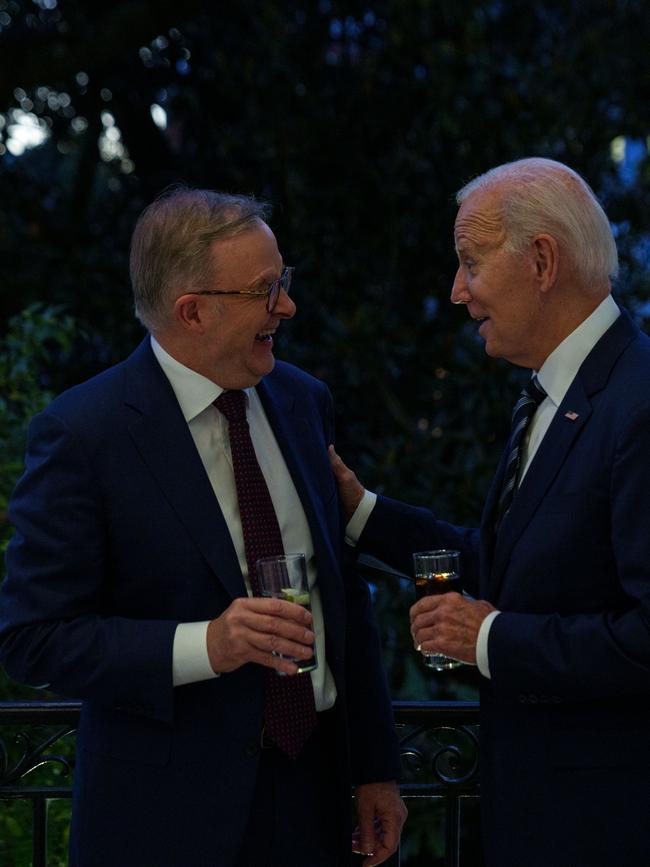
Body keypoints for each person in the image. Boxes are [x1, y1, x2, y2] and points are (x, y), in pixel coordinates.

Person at [0, 187, 406, 867]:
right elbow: (32, 636)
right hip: (165, 820)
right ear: (192, 310)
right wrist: (208, 644)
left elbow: (346, 597)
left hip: (316, 803)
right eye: (265, 289)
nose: (287, 305)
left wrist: (375, 765)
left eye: (284, 280)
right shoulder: (84, 433)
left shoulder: (303, 401)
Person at [329, 157, 650, 867]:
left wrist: (490, 638)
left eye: (469, 261)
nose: (455, 291)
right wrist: (362, 512)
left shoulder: (638, 402)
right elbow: (513, 567)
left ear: (541, 261)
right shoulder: (553, 394)